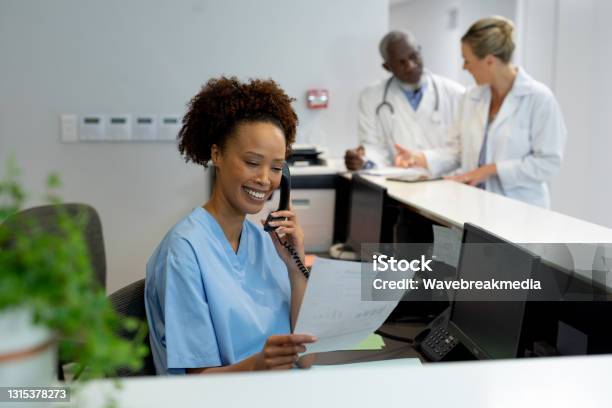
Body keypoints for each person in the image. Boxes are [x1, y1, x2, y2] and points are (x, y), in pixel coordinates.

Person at [145, 77, 316, 374]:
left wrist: (295, 266)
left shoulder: (266, 241)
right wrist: (258, 365)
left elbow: (307, 357)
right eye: (252, 162)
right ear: (217, 155)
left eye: (276, 168)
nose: (265, 179)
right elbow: (198, 382)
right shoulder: (184, 251)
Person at [395, 16, 567, 208]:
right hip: (473, 206)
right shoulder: (471, 97)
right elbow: (457, 151)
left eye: (467, 60)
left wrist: (492, 170)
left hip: (520, 209)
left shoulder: (538, 98)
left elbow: (548, 163)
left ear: (489, 61)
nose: (464, 67)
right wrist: (421, 158)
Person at [345, 30, 465, 170]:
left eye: (414, 56)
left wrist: (423, 159)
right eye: (401, 62)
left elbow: (460, 149)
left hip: (446, 182)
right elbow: (373, 146)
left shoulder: (456, 93)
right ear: (387, 67)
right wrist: (363, 160)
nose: (410, 66)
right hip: (397, 183)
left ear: (420, 51)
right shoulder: (370, 97)